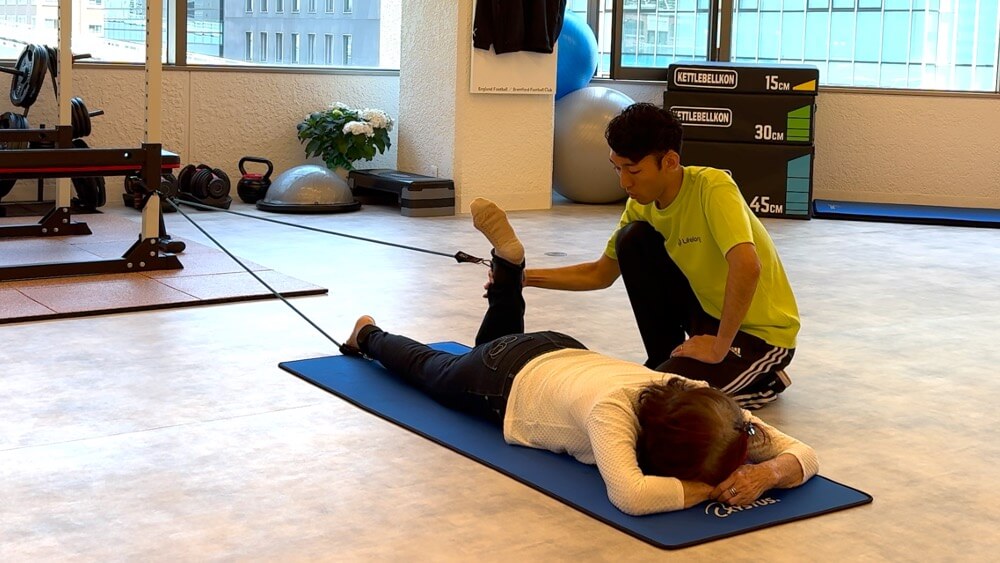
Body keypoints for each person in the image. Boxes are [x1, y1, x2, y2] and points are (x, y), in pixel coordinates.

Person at [342, 198, 817, 516]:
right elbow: (631, 495)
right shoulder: (611, 417)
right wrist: (707, 489)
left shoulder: (698, 394)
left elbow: (801, 453)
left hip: (556, 348)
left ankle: (509, 271)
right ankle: (369, 335)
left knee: (484, 349)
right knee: (435, 371)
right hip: (507, 379)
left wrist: (768, 470)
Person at [522, 103, 801, 409]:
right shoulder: (640, 206)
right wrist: (522, 278)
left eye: (634, 170)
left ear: (669, 161)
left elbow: (747, 266)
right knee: (633, 239)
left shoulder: (713, 187)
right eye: (617, 168)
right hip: (707, 317)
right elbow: (599, 274)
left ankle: (766, 381)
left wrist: (720, 346)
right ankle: (662, 356)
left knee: (663, 405)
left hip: (760, 335)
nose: (624, 182)